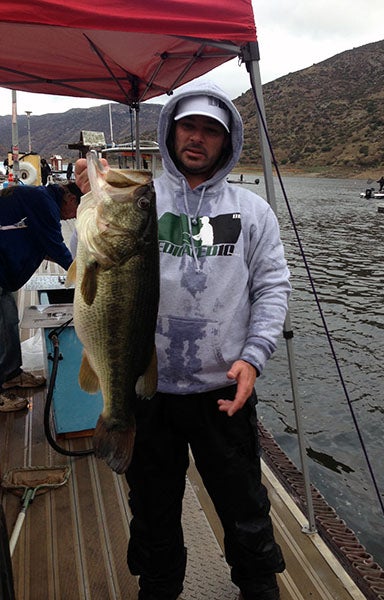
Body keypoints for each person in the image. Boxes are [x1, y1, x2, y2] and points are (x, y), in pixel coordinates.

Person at [75, 81, 290, 600]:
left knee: (245, 511)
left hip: (223, 391)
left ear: (228, 140)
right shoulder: (140, 195)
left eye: (211, 130)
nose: (197, 138)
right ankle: (159, 588)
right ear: (171, 131)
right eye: (188, 125)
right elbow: (88, 262)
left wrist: (254, 359)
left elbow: (273, 288)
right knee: (153, 512)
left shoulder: (251, 211)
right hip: (148, 392)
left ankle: (258, 588)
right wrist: (88, 191)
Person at [0, 181, 82, 412]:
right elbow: (56, 247)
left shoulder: (40, 201)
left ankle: (11, 374)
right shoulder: (44, 203)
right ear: (71, 199)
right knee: (3, 327)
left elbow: (43, 245)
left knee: (7, 325)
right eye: (75, 211)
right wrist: (83, 275)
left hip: (4, 273)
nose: (71, 217)